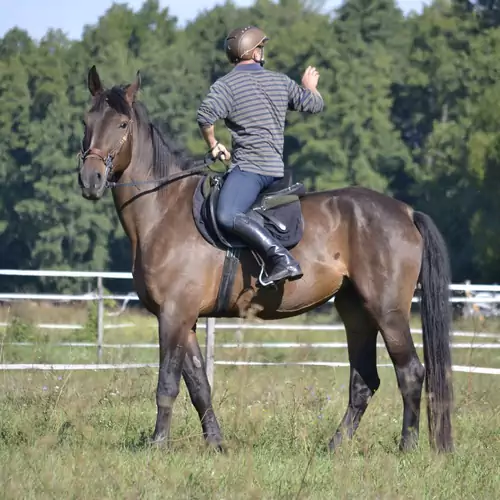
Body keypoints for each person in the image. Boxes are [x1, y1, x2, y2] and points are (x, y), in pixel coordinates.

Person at [196, 25, 324, 285]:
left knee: (227, 215)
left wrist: (213, 145)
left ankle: (280, 259)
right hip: (275, 169)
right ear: (254, 53)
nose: (262, 52)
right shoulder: (280, 81)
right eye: (261, 48)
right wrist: (311, 87)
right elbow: (315, 104)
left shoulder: (226, 86)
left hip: (250, 171)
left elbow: (204, 117)